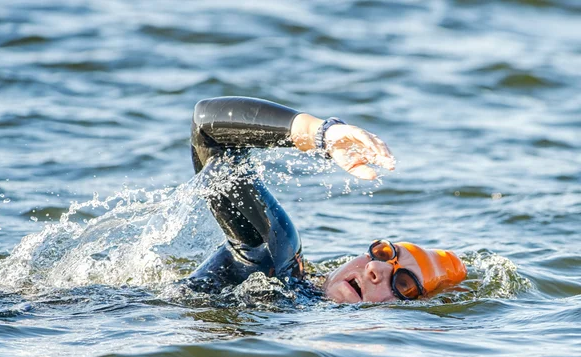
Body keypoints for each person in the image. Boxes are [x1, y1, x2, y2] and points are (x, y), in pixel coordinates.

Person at [187, 96, 467, 303]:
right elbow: (207, 129)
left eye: (404, 284)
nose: (374, 268)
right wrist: (322, 135)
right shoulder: (275, 258)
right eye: (384, 252)